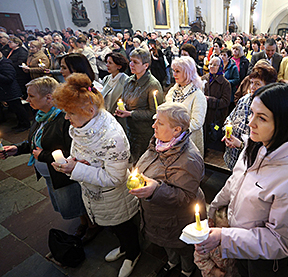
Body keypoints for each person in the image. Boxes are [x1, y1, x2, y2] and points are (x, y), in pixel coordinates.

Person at [198, 83, 288, 277]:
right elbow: (235, 181)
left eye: (261, 118)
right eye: (251, 113)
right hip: (238, 239)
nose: (250, 123)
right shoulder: (256, 145)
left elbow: (282, 241)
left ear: (283, 122)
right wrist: (214, 209)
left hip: (264, 259)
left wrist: (226, 237)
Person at [51, 73, 140, 277]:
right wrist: (76, 162)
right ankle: (125, 248)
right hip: (94, 193)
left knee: (123, 227)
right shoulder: (83, 125)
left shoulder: (112, 136)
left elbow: (116, 178)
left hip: (114, 196)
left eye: (70, 113)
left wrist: (76, 169)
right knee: (114, 227)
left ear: (90, 110)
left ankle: (133, 253)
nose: (66, 117)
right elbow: (83, 152)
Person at [0, 77, 86, 231]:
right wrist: (17, 149)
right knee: (67, 203)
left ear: (49, 98)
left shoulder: (65, 119)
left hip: (64, 176)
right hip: (51, 173)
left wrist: (43, 156)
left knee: (76, 203)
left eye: (31, 96)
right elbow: (36, 142)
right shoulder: (41, 116)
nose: (27, 99)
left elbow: (72, 153)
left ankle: (90, 226)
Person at [130, 102, 205, 277]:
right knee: (167, 245)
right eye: (156, 120)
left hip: (177, 219)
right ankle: (172, 262)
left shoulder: (189, 159)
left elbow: (186, 197)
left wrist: (155, 190)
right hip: (159, 216)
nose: (153, 125)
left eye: (160, 123)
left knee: (183, 248)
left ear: (177, 130)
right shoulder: (160, 142)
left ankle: (186, 270)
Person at [223, 60, 277, 170]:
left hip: (251, 164)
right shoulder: (244, 100)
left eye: (257, 84)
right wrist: (227, 132)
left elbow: (265, 145)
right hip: (233, 158)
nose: (252, 86)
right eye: (251, 82)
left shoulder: (270, 109)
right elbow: (229, 119)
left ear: (268, 86)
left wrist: (241, 145)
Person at [115, 48, 164, 163]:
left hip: (144, 132)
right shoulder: (129, 81)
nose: (131, 64)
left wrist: (131, 113)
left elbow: (155, 112)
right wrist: (122, 108)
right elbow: (125, 101)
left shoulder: (153, 84)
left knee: (141, 162)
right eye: (130, 61)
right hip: (130, 128)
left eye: (135, 62)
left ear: (146, 65)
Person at [165, 56, 207, 156]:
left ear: (187, 73)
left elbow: (197, 122)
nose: (174, 74)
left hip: (188, 141)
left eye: (178, 71)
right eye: (173, 71)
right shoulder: (173, 91)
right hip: (171, 138)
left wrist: (177, 131)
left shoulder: (197, 95)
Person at [201, 57, 231, 151]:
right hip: (204, 114)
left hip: (217, 117)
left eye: (215, 65)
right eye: (210, 64)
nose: (211, 67)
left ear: (220, 66)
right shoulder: (204, 79)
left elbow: (225, 102)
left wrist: (210, 100)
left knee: (215, 134)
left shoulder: (225, 84)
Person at [0, 51, 31, 131]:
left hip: (11, 91)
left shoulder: (5, 64)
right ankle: (21, 124)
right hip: (7, 91)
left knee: (19, 109)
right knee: (16, 110)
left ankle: (25, 125)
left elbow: (9, 78)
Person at [101, 53, 129, 123]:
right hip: (104, 116)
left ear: (119, 66)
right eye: (107, 62)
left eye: (110, 63)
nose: (107, 65)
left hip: (117, 119)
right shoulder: (106, 78)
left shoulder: (126, 81)